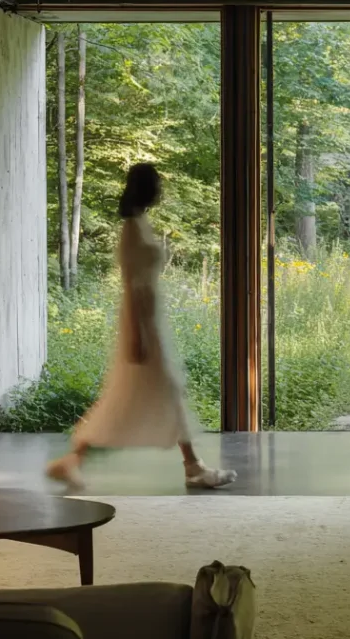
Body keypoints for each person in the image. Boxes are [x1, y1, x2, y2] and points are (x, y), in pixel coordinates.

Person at [47, 163, 236, 490]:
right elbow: (132, 285)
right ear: (145, 188)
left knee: (137, 397)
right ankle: (193, 466)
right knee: (152, 393)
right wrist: (138, 335)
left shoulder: (139, 223)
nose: (161, 190)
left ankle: (74, 460)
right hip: (142, 323)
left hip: (149, 319)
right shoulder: (132, 229)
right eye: (157, 184)